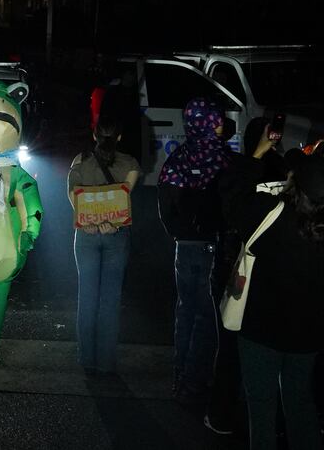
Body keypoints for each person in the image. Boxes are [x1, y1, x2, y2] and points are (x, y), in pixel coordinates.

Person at [218, 127, 324, 449]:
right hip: (309, 335)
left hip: (260, 332)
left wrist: (255, 156)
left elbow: (231, 196)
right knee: (301, 404)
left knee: (261, 409)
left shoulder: (270, 214)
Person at [157, 97, 230, 403]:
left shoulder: (176, 161)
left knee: (186, 310)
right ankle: (196, 381)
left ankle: (180, 376)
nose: (221, 125)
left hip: (183, 248)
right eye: (218, 120)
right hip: (212, 247)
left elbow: (165, 209)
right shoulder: (224, 161)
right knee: (207, 316)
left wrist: (179, 234)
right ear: (210, 123)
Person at [68, 114, 140, 374]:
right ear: (119, 137)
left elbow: (73, 197)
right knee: (110, 299)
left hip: (85, 235)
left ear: (94, 136)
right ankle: (107, 362)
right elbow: (122, 200)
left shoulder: (80, 161)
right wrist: (111, 223)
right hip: (116, 235)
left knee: (87, 297)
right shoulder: (130, 164)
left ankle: (87, 360)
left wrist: (87, 222)